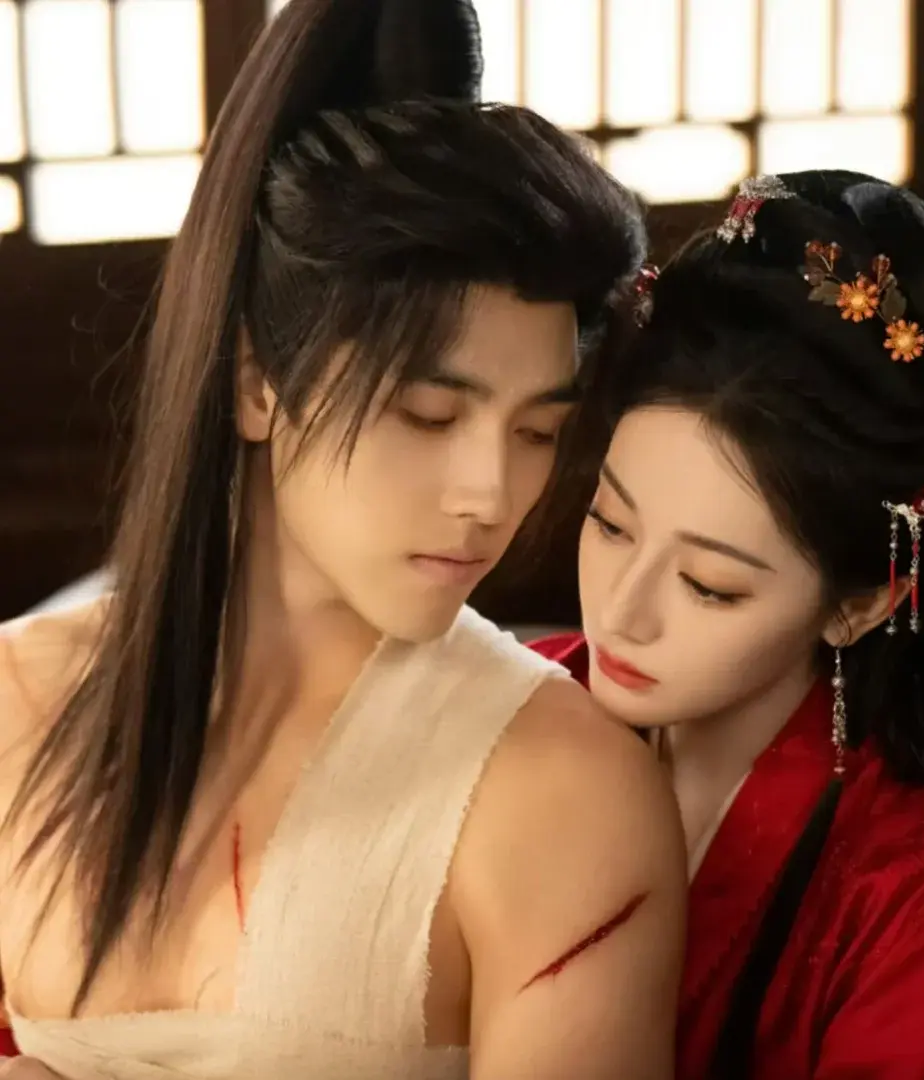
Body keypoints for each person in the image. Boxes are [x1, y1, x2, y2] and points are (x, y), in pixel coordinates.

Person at [0, 1, 686, 1078]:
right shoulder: (16, 700)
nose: (489, 493)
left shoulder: (563, 788)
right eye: (428, 414)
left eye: (536, 431)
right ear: (254, 384)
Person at [529, 170, 924, 1079]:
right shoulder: (513, 713)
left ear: (859, 604)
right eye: (611, 525)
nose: (621, 613)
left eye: (709, 585)